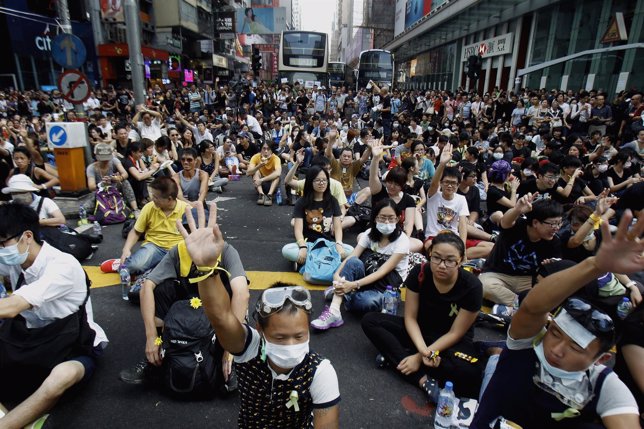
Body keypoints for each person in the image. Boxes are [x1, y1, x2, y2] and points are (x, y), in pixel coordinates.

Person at [472, 212, 643, 429]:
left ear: (601, 359)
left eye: (576, 347)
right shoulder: (527, 344)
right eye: (555, 333)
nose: (557, 350)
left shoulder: (605, 387)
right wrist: (596, 265)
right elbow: (532, 307)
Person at [177, 207, 340, 428]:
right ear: (260, 330)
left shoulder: (321, 372)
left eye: (300, 336)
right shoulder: (250, 349)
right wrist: (206, 268)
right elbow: (222, 318)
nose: (291, 345)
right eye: (281, 338)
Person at [0, 204, 108, 428]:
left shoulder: (62, 265)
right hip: (31, 339)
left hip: (73, 345)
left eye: (2, 244)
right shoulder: (17, 261)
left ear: (27, 237)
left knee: (60, 377)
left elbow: (12, 307)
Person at [119, 208, 249, 391]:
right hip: (188, 303)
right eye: (189, 229)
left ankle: (233, 362)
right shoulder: (178, 251)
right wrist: (151, 337)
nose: (195, 235)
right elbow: (147, 286)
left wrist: (231, 350)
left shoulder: (226, 251)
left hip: (219, 306)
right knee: (160, 291)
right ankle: (155, 356)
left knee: (234, 296)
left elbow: (242, 293)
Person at [362, 231, 483, 399]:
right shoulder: (419, 273)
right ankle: (421, 379)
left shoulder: (472, 287)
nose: (441, 265)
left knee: (470, 374)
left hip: (449, 342)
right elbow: (410, 318)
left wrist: (420, 357)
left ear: (461, 260)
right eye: (437, 258)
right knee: (371, 321)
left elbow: (456, 333)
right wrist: (423, 352)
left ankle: (396, 357)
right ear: (430, 255)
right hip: (419, 333)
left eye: (449, 260)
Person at [310, 199, 410, 330]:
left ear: (398, 219)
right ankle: (334, 310)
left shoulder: (402, 241)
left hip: (386, 288)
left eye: (391, 218)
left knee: (366, 302)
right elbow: (353, 256)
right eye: (383, 217)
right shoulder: (369, 234)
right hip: (366, 277)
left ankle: (342, 292)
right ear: (375, 218)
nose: (387, 222)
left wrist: (352, 285)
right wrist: (336, 274)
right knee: (353, 262)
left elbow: (382, 272)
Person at [479, 194, 563, 307]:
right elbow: (505, 222)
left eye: (559, 223)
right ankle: (522, 305)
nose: (556, 228)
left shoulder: (554, 242)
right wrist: (517, 209)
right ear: (535, 223)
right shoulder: (518, 225)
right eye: (553, 224)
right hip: (498, 274)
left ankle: (519, 304)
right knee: (484, 286)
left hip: (527, 280)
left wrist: (550, 268)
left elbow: (543, 279)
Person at [120, 177, 188, 284]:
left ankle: (152, 270)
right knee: (133, 266)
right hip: (154, 246)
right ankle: (144, 266)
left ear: (169, 199)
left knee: (184, 273)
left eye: (156, 197)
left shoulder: (186, 209)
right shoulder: (149, 207)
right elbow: (136, 231)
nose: (152, 199)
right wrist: (126, 249)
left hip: (177, 248)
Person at [281, 165, 352, 268]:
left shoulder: (333, 201)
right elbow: (298, 230)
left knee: (351, 250)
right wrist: (302, 246)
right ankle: (327, 262)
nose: (322, 183)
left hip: (327, 244)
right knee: (286, 250)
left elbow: (337, 227)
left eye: (324, 180)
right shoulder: (302, 202)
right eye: (317, 180)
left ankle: (307, 261)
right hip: (308, 244)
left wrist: (339, 243)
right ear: (310, 182)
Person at [85, 143, 140, 216]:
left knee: (125, 182)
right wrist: (102, 184)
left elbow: (125, 174)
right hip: (101, 192)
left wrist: (118, 178)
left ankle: (135, 209)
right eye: (103, 159)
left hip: (114, 189)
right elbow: (91, 187)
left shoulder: (114, 161)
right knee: (86, 209)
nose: (105, 161)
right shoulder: (91, 168)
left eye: (107, 159)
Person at [247, 141, 282, 207]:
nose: (266, 151)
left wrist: (261, 180)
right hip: (260, 186)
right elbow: (248, 173)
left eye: (268, 149)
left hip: (272, 185)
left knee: (277, 175)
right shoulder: (256, 157)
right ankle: (261, 195)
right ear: (261, 149)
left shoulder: (276, 158)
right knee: (255, 172)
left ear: (271, 150)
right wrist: (259, 165)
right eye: (264, 148)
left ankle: (269, 195)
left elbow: (278, 173)